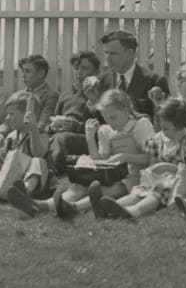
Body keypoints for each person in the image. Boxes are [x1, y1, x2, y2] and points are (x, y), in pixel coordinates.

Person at [44, 88, 154, 218]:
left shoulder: (140, 125)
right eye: (106, 118)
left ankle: (73, 207)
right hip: (112, 174)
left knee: (111, 188)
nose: (110, 123)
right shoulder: (106, 130)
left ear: (126, 110)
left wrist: (125, 157)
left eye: (113, 117)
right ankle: (46, 205)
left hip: (135, 175)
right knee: (82, 185)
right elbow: (100, 161)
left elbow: (151, 157)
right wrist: (90, 139)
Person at [95, 98, 186, 221]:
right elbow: (153, 165)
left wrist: (169, 171)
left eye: (167, 129)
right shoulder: (159, 139)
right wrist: (152, 176)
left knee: (159, 190)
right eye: (162, 127)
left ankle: (134, 211)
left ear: (180, 126)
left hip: (185, 182)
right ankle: (112, 207)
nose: (164, 132)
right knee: (141, 191)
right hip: (162, 177)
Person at [0, 90, 54, 217]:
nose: (8, 118)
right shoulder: (11, 137)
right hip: (15, 179)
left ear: (27, 116)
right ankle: (13, 192)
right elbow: (7, 163)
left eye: (12, 114)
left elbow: (39, 153)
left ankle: (25, 192)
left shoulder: (39, 133)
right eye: (7, 114)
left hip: (36, 179)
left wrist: (33, 129)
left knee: (37, 161)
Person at [46, 50, 103, 175]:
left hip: (88, 139)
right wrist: (52, 126)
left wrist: (77, 126)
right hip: (60, 137)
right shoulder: (65, 95)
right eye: (76, 68)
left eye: (84, 68)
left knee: (61, 138)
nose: (79, 73)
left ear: (96, 72)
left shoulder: (100, 95)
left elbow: (104, 126)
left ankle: (53, 173)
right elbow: (52, 121)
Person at [97, 29, 169, 118]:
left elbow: (166, 119)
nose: (108, 59)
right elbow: (96, 118)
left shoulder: (155, 81)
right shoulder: (102, 80)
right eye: (106, 53)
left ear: (129, 54)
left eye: (113, 54)